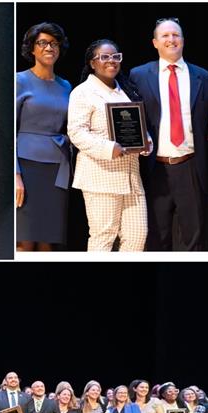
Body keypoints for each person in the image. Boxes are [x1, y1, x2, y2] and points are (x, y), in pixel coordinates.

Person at [129, 18, 208, 251]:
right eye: (165, 36)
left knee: (194, 240)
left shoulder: (205, 78)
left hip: (191, 167)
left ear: (183, 41)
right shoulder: (137, 75)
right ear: (155, 43)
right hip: (154, 169)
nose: (171, 40)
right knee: (157, 239)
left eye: (176, 35)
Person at [68, 39, 151, 251]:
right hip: (100, 177)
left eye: (116, 56)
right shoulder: (82, 92)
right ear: (92, 63)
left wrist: (145, 141)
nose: (111, 61)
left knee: (137, 236)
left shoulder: (125, 90)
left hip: (131, 177)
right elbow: (76, 132)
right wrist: (108, 148)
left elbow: (136, 125)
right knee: (103, 237)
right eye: (104, 57)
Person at [16, 22, 72, 251]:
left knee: (48, 241)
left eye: (54, 43)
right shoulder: (19, 80)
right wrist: (15, 175)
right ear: (32, 49)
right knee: (25, 239)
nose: (49, 47)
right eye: (43, 43)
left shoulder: (66, 85)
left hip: (57, 167)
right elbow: (8, 131)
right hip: (27, 167)